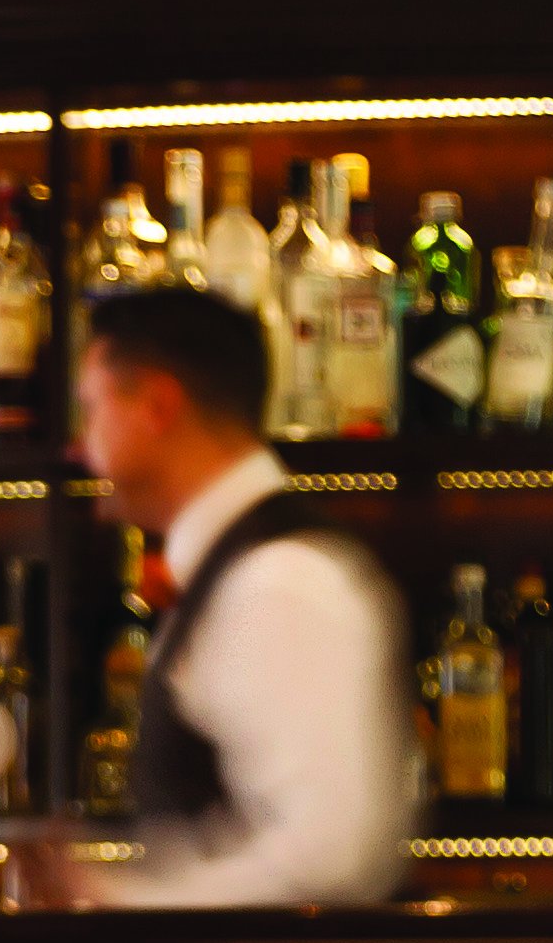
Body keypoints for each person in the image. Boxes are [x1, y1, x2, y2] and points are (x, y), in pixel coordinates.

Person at [64, 287, 411, 908]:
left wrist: (115, 904)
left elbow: (328, 858)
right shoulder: (240, 569)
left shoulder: (278, 582)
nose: (80, 447)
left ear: (156, 405)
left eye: (90, 411)